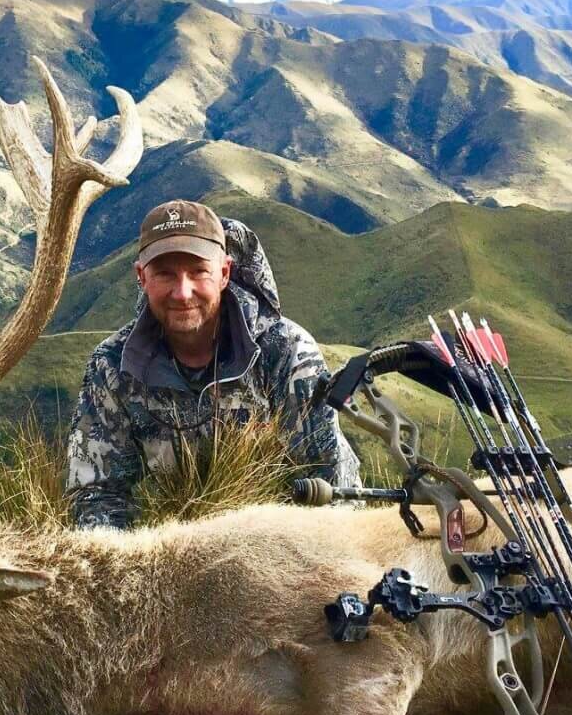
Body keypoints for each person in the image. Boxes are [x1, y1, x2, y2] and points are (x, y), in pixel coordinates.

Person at [65, 199, 359, 529]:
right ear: (141, 277)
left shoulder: (286, 352)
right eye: (164, 274)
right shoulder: (111, 365)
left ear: (224, 273)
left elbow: (334, 485)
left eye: (198, 272)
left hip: (285, 547)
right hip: (172, 552)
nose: (182, 292)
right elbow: (96, 495)